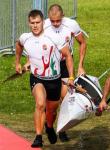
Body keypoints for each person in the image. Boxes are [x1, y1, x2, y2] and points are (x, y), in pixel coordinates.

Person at [15, 9, 74, 148]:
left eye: (38, 22)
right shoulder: (25, 37)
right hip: (37, 78)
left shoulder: (53, 37)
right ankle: (38, 137)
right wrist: (17, 62)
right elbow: (19, 45)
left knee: (52, 110)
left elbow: (68, 56)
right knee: (40, 104)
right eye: (32, 23)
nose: (35, 25)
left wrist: (71, 76)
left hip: (54, 80)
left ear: (43, 22)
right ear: (29, 23)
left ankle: (49, 127)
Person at [44, 4, 87, 142]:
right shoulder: (43, 25)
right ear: (49, 18)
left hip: (66, 63)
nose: (56, 23)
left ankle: (62, 129)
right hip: (50, 65)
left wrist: (80, 65)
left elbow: (82, 43)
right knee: (51, 102)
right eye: (53, 21)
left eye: (58, 20)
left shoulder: (71, 24)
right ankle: (49, 124)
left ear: (62, 16)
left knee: (66, 98)